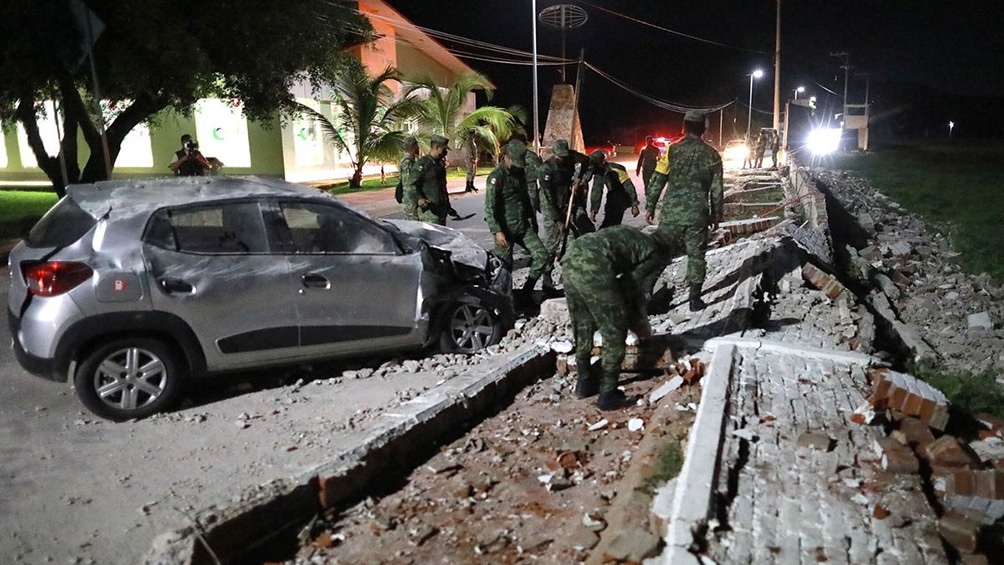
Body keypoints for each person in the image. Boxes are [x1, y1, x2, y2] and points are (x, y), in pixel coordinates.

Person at [562, 225, 672, 410]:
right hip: (594, 266)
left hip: (571, 260)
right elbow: (630, 288)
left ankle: (584, 382)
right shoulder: (654, 254)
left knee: (582, 323)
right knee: (614, 331)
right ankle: (608, 394)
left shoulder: (634, 235)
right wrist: (633, 321)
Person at [645, 110, 724, 311]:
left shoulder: (672, 150)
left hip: (672, 214)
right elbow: (717, 189)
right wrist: (717, 215)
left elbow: (658, 179)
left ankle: (645, 295)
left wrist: (650, 206)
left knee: (660, 253)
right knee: (696, 256)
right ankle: (694, 300)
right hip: (698, 214)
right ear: (704, 129)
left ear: (684, 127)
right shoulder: (712, 154)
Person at [485, 139, 549, 304]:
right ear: (506, 157)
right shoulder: (496, 178)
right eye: (515, 162)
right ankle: (503, 301)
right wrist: (497, 231)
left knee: (542, 256)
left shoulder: (520, 173)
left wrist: (532, 220)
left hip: (523, 226)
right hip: (505, 230)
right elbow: (490, 208)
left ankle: (526, 292)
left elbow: (525, 199)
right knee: (504, 269)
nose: (517, 167)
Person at [538, 139, 594, 284]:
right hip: (552, 208)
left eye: (565, 156)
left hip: (567, 203)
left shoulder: (572, 157)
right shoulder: (546, 170)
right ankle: (546, 277)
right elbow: (546, 200)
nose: (563, 160)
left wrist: (580, 180)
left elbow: (589, 162)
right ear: (554, 154)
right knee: (552, 245)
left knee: (572, 241)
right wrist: (557, 221)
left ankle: (568, 274)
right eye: (560, 157)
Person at [588, 150, 640, 229]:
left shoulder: (616, 169)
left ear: (603, 162)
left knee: (613, 222)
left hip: (622, 196)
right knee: (609, 220)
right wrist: (594, 210)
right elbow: (597, 191)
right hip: (611, 197)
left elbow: (628, 186)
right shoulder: (598, 172)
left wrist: (634, 205)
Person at [414, 134, 457, 226]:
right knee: (431, 239)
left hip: (441, 211)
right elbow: (412, 185)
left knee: (441, 239)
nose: (446, 153)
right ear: (437, 147)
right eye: (444, 150)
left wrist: (448, 206)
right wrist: (420, 198)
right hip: (429, 212)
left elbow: (442, 188)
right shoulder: (423, 164)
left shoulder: (439, 165)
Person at [398, 136, 421, 219]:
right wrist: (418, 199)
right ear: (415, 146)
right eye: (417, 145)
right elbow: (408, 184)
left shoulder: (412, 160)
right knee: (414, 226)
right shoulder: (407, 162)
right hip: (411, 201)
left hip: (412, 200)